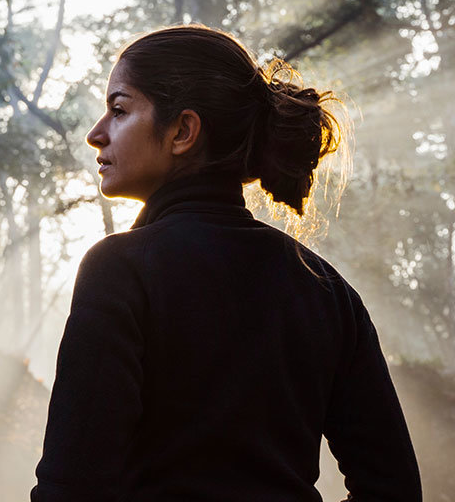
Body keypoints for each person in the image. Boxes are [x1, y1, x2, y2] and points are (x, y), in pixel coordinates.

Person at [31, 25, 421, 501]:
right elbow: (395, 489)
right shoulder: (326, 290)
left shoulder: (120, 269)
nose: (96, 135)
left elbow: (71, 489)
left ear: (182, 131)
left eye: (118, 110)